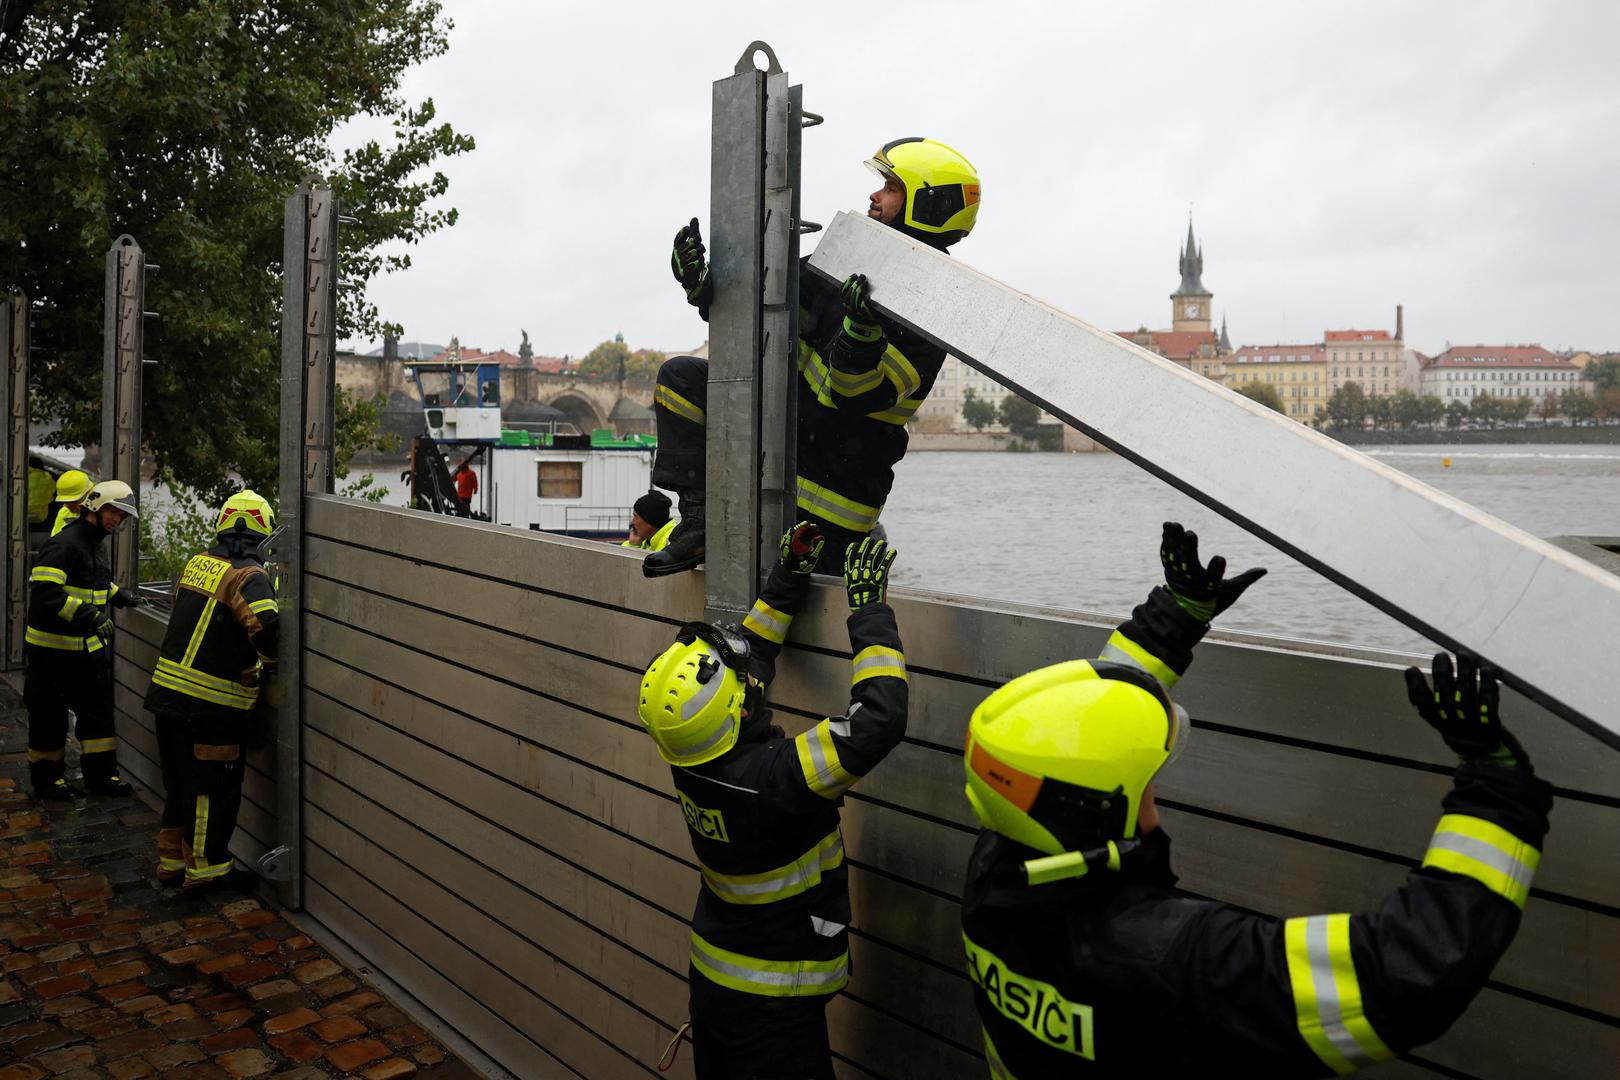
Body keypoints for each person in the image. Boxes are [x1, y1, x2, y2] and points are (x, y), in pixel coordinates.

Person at [959, 523, 1552, 1077]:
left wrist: (1173, 618)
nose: (1155, 792)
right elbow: (1399, 976)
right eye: (1147, 782)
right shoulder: (1174, 959)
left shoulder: (996, 874)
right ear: (1101, 813)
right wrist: (1495, 788)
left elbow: (1070, 745)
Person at [639, 523, 908, 1078]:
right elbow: (878, 720)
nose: (749, 684)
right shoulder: (774, 778)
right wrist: (868, 611)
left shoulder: (690, 753)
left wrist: (789, 576)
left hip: (718, 982)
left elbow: (752, 659)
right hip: (775, 1002)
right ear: (735, 713)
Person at [645, 138, 981, 577]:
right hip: (784, 454)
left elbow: (850, 395)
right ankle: (701, 523)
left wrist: (861, 335)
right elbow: (763, 309)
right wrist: (704, 289)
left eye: (891, 187)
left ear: (927, 204)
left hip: (830, 505)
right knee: (682, 378)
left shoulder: (934, 303)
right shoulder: (845, 257)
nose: (874, 196)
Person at [144, 490, 279, 892]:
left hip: (167, 696)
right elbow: (268, 629)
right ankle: (207, 870)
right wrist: (271, 667)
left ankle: (171, 862)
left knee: (179, 784)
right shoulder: (249, 576)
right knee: (211, 790)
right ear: (264, 532)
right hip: (211, 708)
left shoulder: (197, 564)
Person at [25, 480, 142, 799]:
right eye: (113, 512)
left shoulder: (94, 544)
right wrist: (90, 616)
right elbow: (46, 594)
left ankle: (102, 778)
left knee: (97, 718)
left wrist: (122, 597)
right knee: (49, 719)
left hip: (86, 656)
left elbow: (96, 583)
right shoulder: (64, 545)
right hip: (51, 655)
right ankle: (48, 782)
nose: (117, 520)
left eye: (122, 516)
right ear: (95, 505)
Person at [49, 469, 93, 536]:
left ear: (88, 493)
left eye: (74, 501)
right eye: (66, 501)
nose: (69, 505)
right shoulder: (63, 513)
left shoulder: (100, 514)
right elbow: (54, 540)